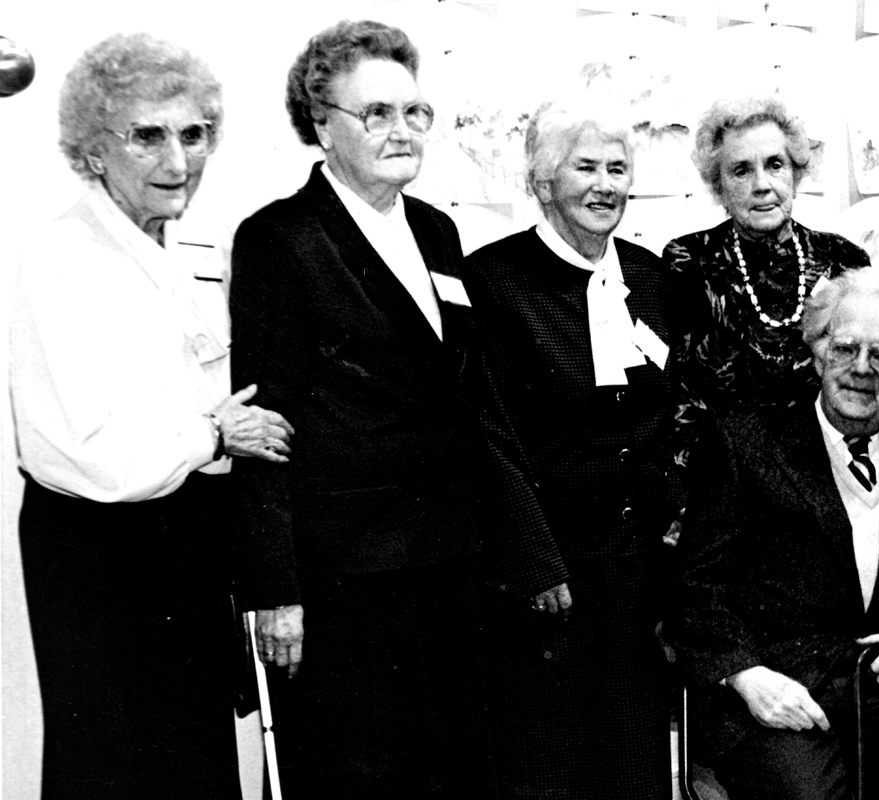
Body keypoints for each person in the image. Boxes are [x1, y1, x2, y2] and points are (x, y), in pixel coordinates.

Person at [10, 32, 291, 798]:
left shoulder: (184, 247)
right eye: (148, 137)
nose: (179, 161)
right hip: (102, 549)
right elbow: (84, 447)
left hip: (182, 536)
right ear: (94, 150)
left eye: (194, 134)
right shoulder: (64, 257)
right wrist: (211, 434)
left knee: (193, 755)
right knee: (116, 758)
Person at [230, 19, 487, 796]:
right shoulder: (281, 239)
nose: (402, 130)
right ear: (321, 124)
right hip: (344, 585)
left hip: (448, 569)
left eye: (415, 113)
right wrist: (276, 591)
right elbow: (260, 423)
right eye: (376, 113)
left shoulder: (438, 232)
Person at [669, 267, 879, 800]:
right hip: (780, 682)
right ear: (816, 354)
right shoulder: (745, 447)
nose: (860, 370)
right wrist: (746, 676)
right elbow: (697, 589)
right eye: (844, 349)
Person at [465, 93, 679, 799]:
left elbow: (675, 418)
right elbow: (488, 436)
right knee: (549, 763)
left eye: (618, 168)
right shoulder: (493, 281)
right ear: (542, 181)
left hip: (638, 571)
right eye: (585, 167)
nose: (605, 185)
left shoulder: (650, 279)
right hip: (549, 575)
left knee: (635, 758)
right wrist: (535, 561)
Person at [665, 96, 872, 463]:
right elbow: (678, 394)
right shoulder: (688, 261)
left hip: (821, 474)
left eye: (775, 165)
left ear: (795, 172)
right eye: (741, 171)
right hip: (724, 476)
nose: (762, 185)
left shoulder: (844, 261)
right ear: (719, 185)